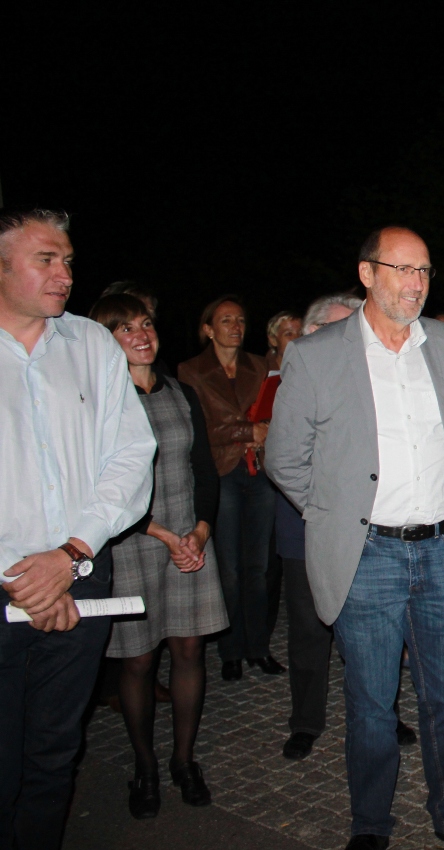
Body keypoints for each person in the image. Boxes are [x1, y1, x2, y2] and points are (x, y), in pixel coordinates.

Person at [265, 226, 444, 850]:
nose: (416, 284)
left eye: (424, 271)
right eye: (402, 269)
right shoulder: (316, 354)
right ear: (367, 273)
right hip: (369, 556)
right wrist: (336, 514)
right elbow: (285, 459)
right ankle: (370, 825)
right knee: (371, 704)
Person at [0, 209, 156, 849]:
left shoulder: (91, 344)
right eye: (46, 259)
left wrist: (69, 555)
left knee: (54, 754)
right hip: (6, 586)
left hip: (82, 576)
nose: (64, 274)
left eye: (67, 260)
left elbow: (131, 453)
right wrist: (21, 576)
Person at [88, 294, 227, 818]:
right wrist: (166, 536)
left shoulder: (180, 392)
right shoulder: (99, 401)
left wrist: (200, 531)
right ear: (105, 341)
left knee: (189, 650)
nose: (141, 335)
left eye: (145, 323)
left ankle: (183, 761)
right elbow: (96, 486)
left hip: (189, 539)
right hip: (132, 543)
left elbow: (204, 469)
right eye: (125, 329)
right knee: (140, 659)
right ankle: (144, 767)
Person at [273, 293, 423, 761]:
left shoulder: (374, 379)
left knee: (376, 633)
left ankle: (385, 713)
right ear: (313, 334)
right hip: (307, 523)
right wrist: (324, 511)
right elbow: (284, 459)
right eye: (341, 329)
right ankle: (306, 721)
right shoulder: (303, 372)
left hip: (368, 530)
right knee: (309, 629)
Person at [179, 296, 285, 681]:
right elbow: (198, 429)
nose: (235, 326)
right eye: (226, 320)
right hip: (221, 472)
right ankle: (231, 650)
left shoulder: (260, 365)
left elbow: (276, 411)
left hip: (258, 471)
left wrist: (266, 430)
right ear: (208, 329)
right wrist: (246, 430)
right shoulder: (190, 371)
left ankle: (258, 647)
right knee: (229, 568)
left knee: (259, 567)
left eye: (240, 320)